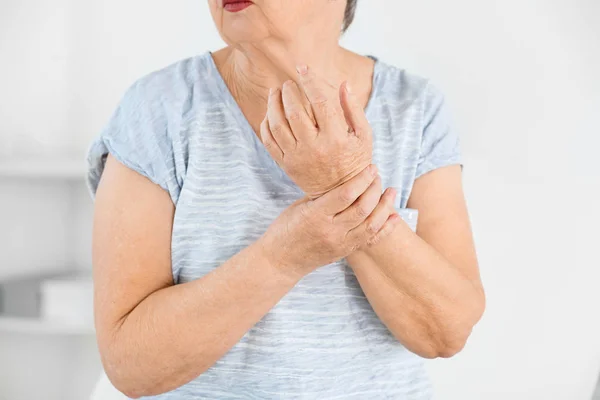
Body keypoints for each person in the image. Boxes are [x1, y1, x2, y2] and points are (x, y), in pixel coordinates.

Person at [87, 0, 485, 398]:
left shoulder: (416, 109)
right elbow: (131, 365)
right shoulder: (158, 109)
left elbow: (446, 332)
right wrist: (286, 255)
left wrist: (340, 183)